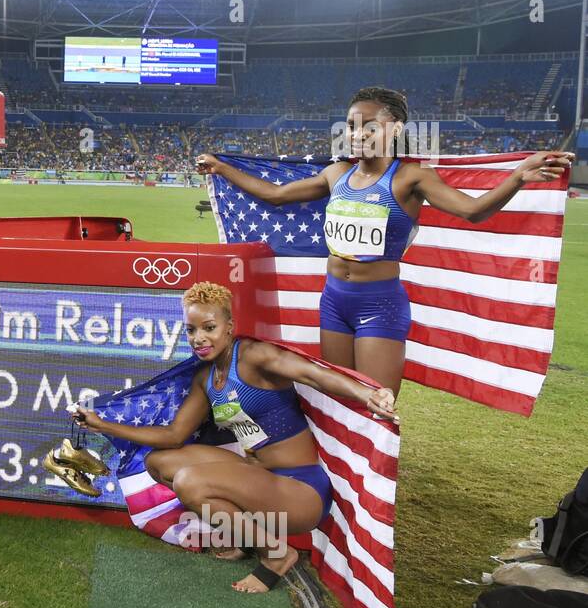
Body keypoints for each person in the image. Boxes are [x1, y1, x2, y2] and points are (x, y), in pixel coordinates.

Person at [195, 86, 575, 396]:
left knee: (377, 398)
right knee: (339, 395)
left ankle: (374, 481)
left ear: (394, 130)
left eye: (370, 126)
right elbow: (275, 195)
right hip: (334, 300)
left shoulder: (411, 179)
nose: (358, 134)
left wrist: (517, 178)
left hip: (379, 304)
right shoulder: (335, 174)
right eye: (351, 125)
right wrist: (222, 166)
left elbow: (473, 211)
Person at [61, 282, 399, 593]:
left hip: (299, 492)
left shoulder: (253, 357)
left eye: (209, 328)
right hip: (260, 480)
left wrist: (365, 394)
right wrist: (103, 425)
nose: (199, 338)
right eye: (191, 330)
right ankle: (243, 536)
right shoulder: (207, 378)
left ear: (229, 327)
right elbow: (174, 434)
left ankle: (276, 554)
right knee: (159, 462)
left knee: (190, 482)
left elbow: (313, 373)